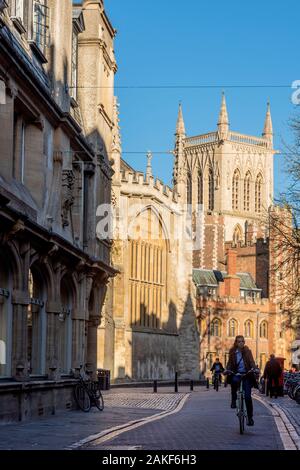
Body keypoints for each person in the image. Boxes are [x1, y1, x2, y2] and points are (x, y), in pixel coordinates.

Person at [225, 335, 258, 426]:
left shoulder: (247, 351)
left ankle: (250, 418)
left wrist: (255, 369)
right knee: (234, 381)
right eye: (239, 341)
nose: (241, 343)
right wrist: (227, 370)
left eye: (242, 341)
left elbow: (252, 362)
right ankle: (233, 399)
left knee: (247, 397)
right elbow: (229, 364)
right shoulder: (232, 352)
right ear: (236, 343)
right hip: (237, 374)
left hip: (247, 374)